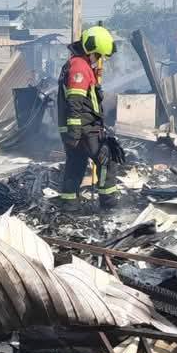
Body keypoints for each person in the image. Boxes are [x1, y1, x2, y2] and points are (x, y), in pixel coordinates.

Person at [57, 24, 120, 212]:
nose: (99, 59)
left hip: (78, 128)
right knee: (107, 158)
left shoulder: (77, 63)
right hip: (85, 127)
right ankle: (108, 203)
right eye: (98, 55)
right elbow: (75, 102)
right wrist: (76, 132)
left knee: (76, 163)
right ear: (91, 50)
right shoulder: (79, 66)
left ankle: (69, 204)